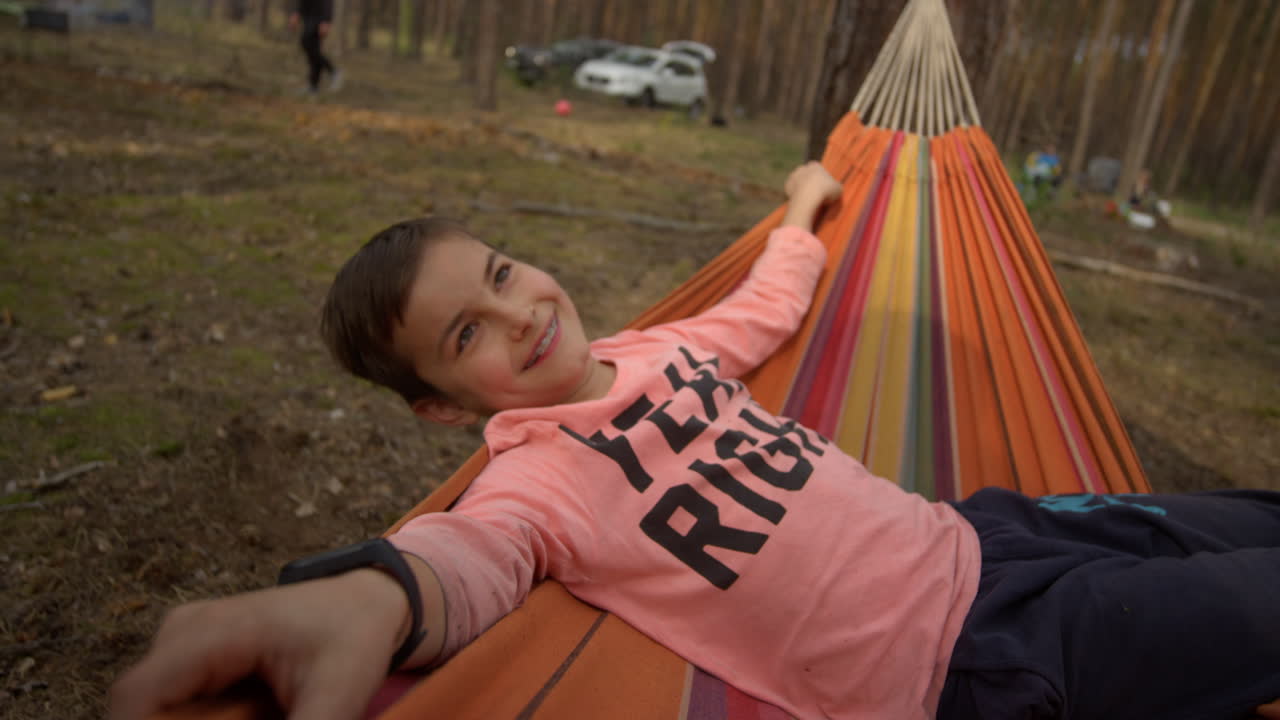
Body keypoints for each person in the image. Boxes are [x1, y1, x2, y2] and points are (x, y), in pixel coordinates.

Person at [111, 162, 1280, 720]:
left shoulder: (657, 348)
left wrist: (804, 210)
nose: (519, 314)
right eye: (467, 332)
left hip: (984, 533)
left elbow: (764, 310)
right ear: (441, 408)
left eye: (503, 274)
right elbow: (470, 557)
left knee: (1242, 522)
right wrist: (371, 597)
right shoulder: (535, 482)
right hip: (972, 661)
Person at [289, 0, 342, 94]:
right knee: (312, 50)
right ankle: (313, 86)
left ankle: (333, 71)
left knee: (308, 44)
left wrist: (326, 20)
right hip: (309, 16)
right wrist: (297, 13)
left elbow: (328, 2)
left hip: (319, 18)